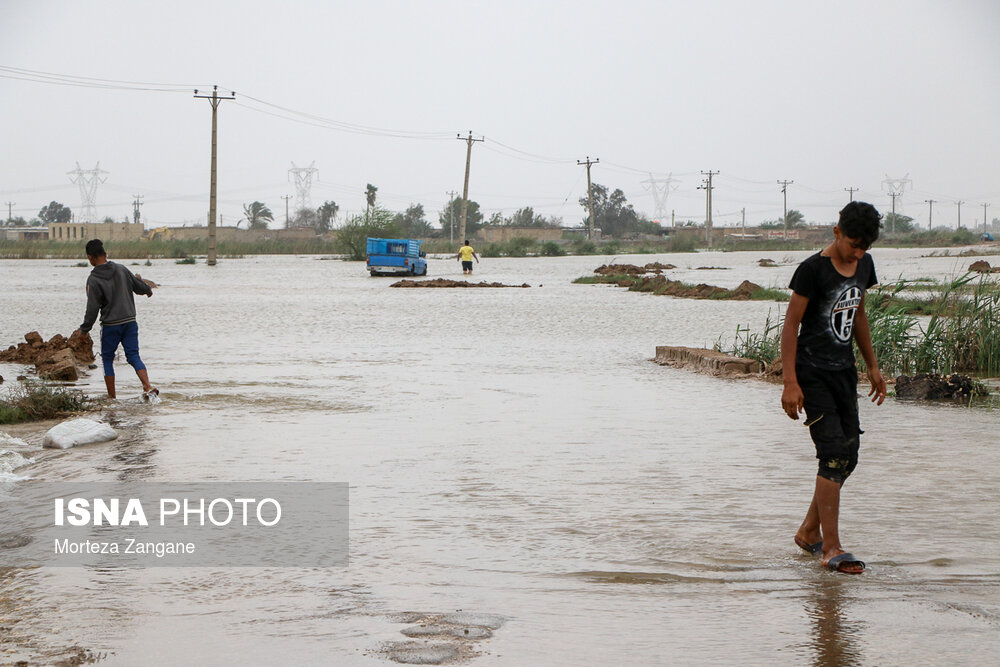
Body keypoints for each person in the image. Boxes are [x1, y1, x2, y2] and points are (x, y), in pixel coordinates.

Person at [780, 202, 887, 574]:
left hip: (844, 373)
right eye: (853, 244)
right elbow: (791, 324)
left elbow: (858, 313)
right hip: (812, 374)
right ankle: (831, 547)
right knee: (834, 454)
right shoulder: (812, 270)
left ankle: (810, 530)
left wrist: (872, 366)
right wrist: (790, 381)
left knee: (848, 455)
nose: (857, 252)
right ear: (837, 231)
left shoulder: (865, 265)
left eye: (864, 247)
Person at [76, 239, 158, 401]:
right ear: (105, 255)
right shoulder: (121, 269)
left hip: (110, 326)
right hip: (129, 322)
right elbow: (138, 286)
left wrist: (84, 330)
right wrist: (148, 290)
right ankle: (148, 386)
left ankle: (112, 398)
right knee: (133, 356)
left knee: (107, 359)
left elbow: (92, 309)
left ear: (90, 258)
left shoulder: (93, 280)